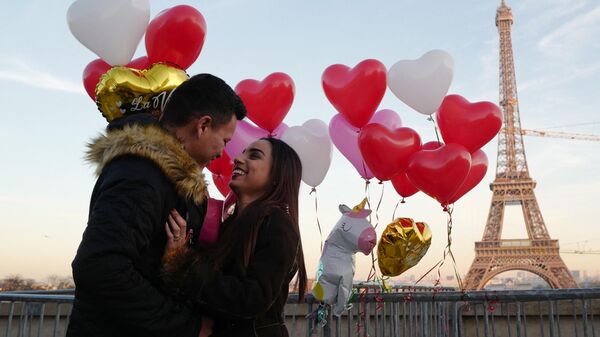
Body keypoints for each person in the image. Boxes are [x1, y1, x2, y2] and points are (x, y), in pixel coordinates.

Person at [66, 73, 246, 337]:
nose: (223, 152)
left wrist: (175, 260)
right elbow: (100, 268)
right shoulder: (140, 174)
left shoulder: (165, 177)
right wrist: (186, 326)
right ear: (203, 125)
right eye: (225, 141)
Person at [162, 137, 308, 337]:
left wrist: (182, 264)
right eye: (242, 153)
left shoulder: (277, 223)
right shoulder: (231, 222)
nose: (238, 159)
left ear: (277, 174)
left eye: (254, 155)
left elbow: (252, 299)